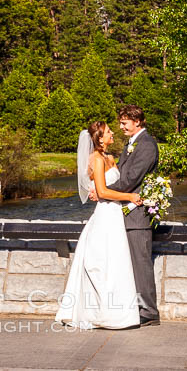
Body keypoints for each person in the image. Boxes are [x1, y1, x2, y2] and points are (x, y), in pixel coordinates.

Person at [54, 121, 143, 329]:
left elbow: (109, 186)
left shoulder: (110, 158)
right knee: (102, 264)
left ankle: (118, 313)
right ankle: (101, 313)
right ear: (100, 138)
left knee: (116, 262)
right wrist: (130, 196)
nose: (113, 133)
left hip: (115, 214)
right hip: (105, 215)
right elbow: (102, 192)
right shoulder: (96, 159)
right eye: (109, 131)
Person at [101, 105, 160, 326]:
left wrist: (103, 193)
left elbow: (131, 180)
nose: (121, 126)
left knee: (140, 263)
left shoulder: (146, 145)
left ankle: (149, 312)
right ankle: (133, 307)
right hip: (125, 211)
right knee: (130, 264)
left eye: (125, 122)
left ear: (137, 121)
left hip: (138, 216)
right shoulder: (131, 144)